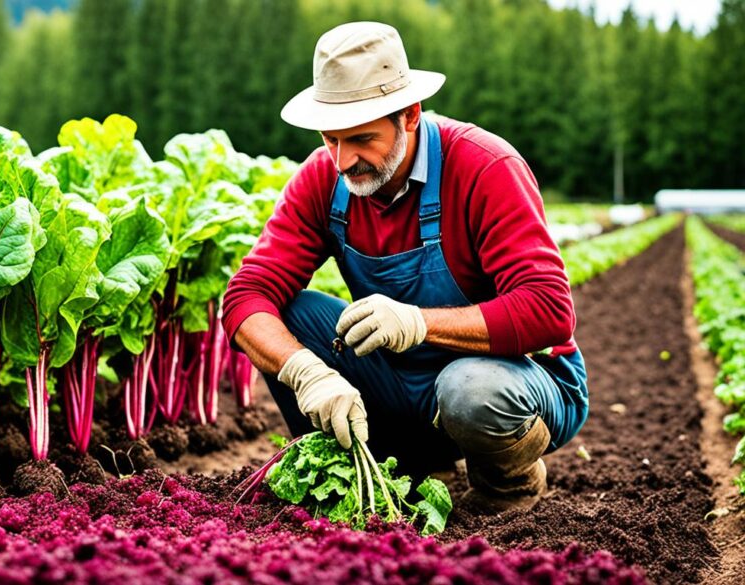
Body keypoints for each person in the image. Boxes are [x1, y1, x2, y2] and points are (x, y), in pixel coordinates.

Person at [220, 21, 589, 513]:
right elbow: (245, 296)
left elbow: (547, 311)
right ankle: (407, 468)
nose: (344, 160)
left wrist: (418, 322)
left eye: (362, 139)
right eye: (331, 139)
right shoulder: (323, 180)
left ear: (410, 115)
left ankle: (509, 482)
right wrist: (305, 372)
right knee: (289, 315)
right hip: (402, 386)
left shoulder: (483, 167)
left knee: (470, 390)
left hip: (518, 382)